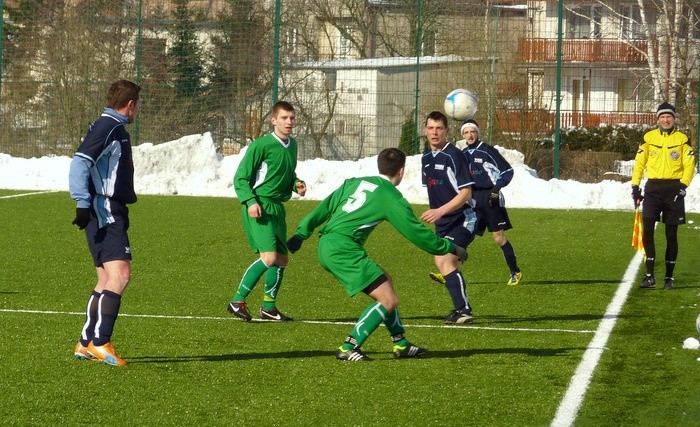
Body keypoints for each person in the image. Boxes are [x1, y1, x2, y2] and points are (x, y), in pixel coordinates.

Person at [286, 148, 467, 361]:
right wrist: (450, 248)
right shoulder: (391, 198)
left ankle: (400, 344)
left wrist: (301, 233)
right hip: (343, 250)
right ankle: (349, 346)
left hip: (329, 245)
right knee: (388, 300)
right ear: (401, 171)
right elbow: (417, 234)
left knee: (386, 281)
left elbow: (324, 208)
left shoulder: (354, 183)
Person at [69, 79, 141, 366]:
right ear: (131, 104)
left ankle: (86, 341)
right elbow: (79, 161)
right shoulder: (108, 126)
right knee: (121, 275)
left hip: (105, 209)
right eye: (139, 105)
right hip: (105, 209)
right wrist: (82, 202)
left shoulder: (110, 127)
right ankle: (101, 342)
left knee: (106, 278)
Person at [227, 101, 306, 321]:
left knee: (282, 259)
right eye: (284, 118)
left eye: (291, 118)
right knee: (269, 257)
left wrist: (296, 183)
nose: (289, 122)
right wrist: (250, 201)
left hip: (277, 208)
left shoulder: (293, 145)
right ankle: (237, 300)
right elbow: (240, 178)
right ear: (273, 120)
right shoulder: (260, 146)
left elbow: (287, 172)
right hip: (260, 205)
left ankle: (268, 308)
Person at [420, 111, 477, 324]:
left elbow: (466, 193)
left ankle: (463, 310)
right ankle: (460, 308)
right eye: (431, 128)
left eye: (439, 128)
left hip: (464, 217)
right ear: (425, 131)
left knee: (442, 259)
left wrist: (440, 211)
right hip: (443, 223)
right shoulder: (426, 158)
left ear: (447, 131)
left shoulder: (455, 156)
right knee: (446, 262)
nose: (435, 133)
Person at [631, 101, 695, 290]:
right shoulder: (648, 138)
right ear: (657, 119)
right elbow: (639, 163)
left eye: (668, 116)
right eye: (662, 117)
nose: (665, 120)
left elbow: (690, 164)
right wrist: (635, 186)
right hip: (653, 189)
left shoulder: (683, 139)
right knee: (648, 229)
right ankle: (649, 275)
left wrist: (683, 185)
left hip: (674, 189)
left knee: (671, 235)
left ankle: (669, 277)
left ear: (674, 119)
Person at [461, 119, 522, 286]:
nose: (470, 135)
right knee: (466, 235)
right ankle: (449, 271)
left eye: (472, 131)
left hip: (491, 197)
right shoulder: (464, 154)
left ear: (477, 133)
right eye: (466, 132)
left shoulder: (488, 151)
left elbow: (507, 171)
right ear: (463, 135)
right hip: (474, 199)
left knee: (498, 237)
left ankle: (515, 271)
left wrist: (496, 189)